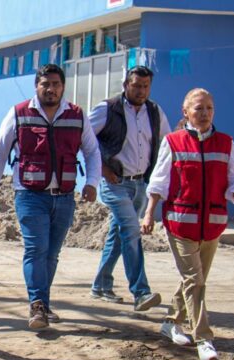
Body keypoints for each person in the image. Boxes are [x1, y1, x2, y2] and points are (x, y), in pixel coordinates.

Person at [141, 88, 234, 360]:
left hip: (212, 224)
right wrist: (149, 213)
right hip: (180, 223)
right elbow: (160, 180)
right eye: (199, 108)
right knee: (195, 280)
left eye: (209, 108)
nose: (205, 114)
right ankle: (204, 338)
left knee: (194, 280)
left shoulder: (226, 143)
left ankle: (170, 321)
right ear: (185, 112)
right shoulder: (174, 142)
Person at [0, 64, 101, 330]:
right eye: (45, 84)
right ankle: (37, 304)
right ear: (36, 86)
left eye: (56, 84)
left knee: (51, 254)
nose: (51, 89)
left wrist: (92, 182)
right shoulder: (18, 113)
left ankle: (44, 305)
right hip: (29, 194)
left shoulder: (77, 114)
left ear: (63, 87)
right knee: (35, 249)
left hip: (64, 196)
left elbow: (92, 151)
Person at [89, 66, 170, 311]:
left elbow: (167, 145)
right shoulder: (108, 108)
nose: (141, 91)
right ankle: (141, 292)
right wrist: (102, 170)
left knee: (119, 234)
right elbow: (84, 141)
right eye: (136, 85)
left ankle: (101, 285)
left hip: (139, 184)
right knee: (132, 231)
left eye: (145, 86)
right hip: (114, 183)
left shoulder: (155, 112)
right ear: (126, 84)